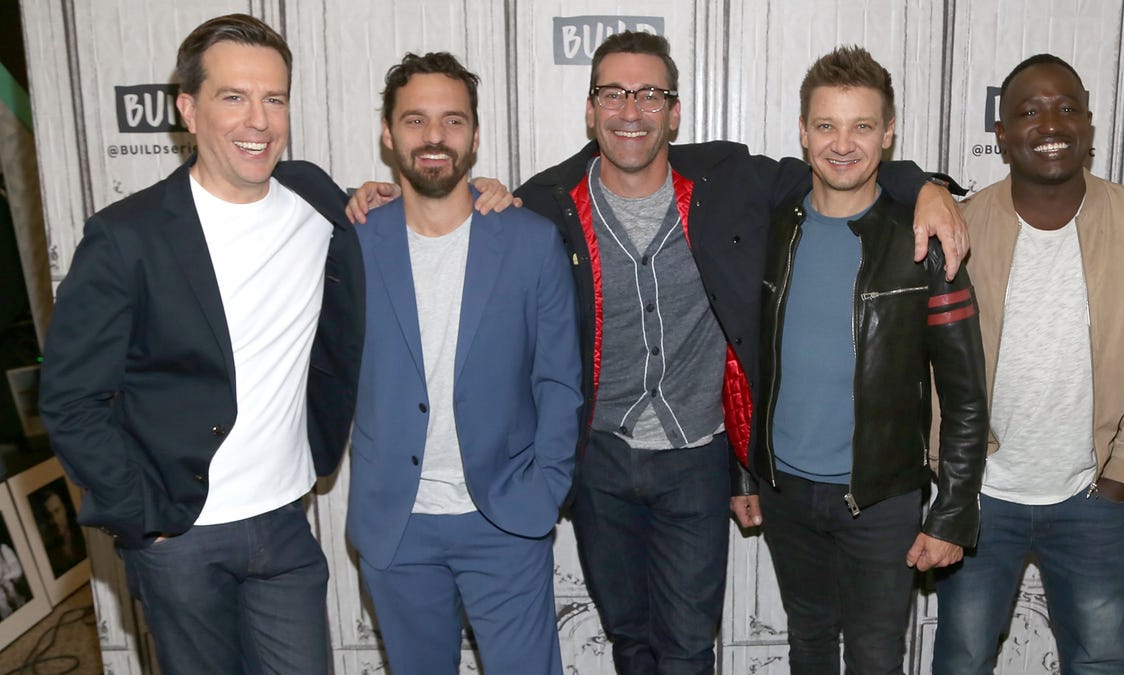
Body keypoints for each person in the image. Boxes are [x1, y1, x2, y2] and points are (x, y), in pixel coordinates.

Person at [347, 30, 969, 674]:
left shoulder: (731, 180)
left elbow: (841, 165)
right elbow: (444, 202)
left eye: (650, 94)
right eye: (614, 93)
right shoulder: (547, 202)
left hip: (695, 459)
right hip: (601, 462)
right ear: (591, 111)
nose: (631, 110)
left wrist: (922, 185)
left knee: (688, 647)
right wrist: (381, 195)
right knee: (628, 638)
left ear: (675, 111)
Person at [37, 13, 368, 674]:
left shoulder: (314, 198)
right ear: (188, 109)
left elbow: (412, 202)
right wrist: (142, 518)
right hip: (180, 536)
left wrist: (485, 193)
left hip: (284, 522)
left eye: (274, 98)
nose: (259, 120)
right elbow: (71, 398)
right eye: (233, 97)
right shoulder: (126, 237)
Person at [930, 54, 1124, 675]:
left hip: (1094, 496)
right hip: (981, 497)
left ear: (1089, 127)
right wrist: (947, 462)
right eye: (1029, 111)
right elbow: (929, 360)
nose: (1051, 123)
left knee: (1099, 660)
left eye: (1067, 108)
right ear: (1002, 135)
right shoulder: (962, 225)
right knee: (961, 659)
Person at [747, 46, 988, 675]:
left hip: (882, 499)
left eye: (861, 126)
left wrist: (953, 511)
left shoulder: (927, 244)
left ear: (888, 134)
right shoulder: (772, 231)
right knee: (809, 644)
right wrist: (746, 473)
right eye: (826, 125)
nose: (842, 144)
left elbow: (965, 395)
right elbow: (743, 358)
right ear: (803, 133)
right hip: (786, 493)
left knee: (877, 659)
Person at [346, 52, 581, 674]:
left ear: (474, 136)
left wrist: (547, 487)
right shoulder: (352, 242)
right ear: (388, 134)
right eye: (415, 120)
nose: (433, 137)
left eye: (452, 121)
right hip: (397, 525)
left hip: (505, 519)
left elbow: (558, 378)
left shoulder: (529, 241)